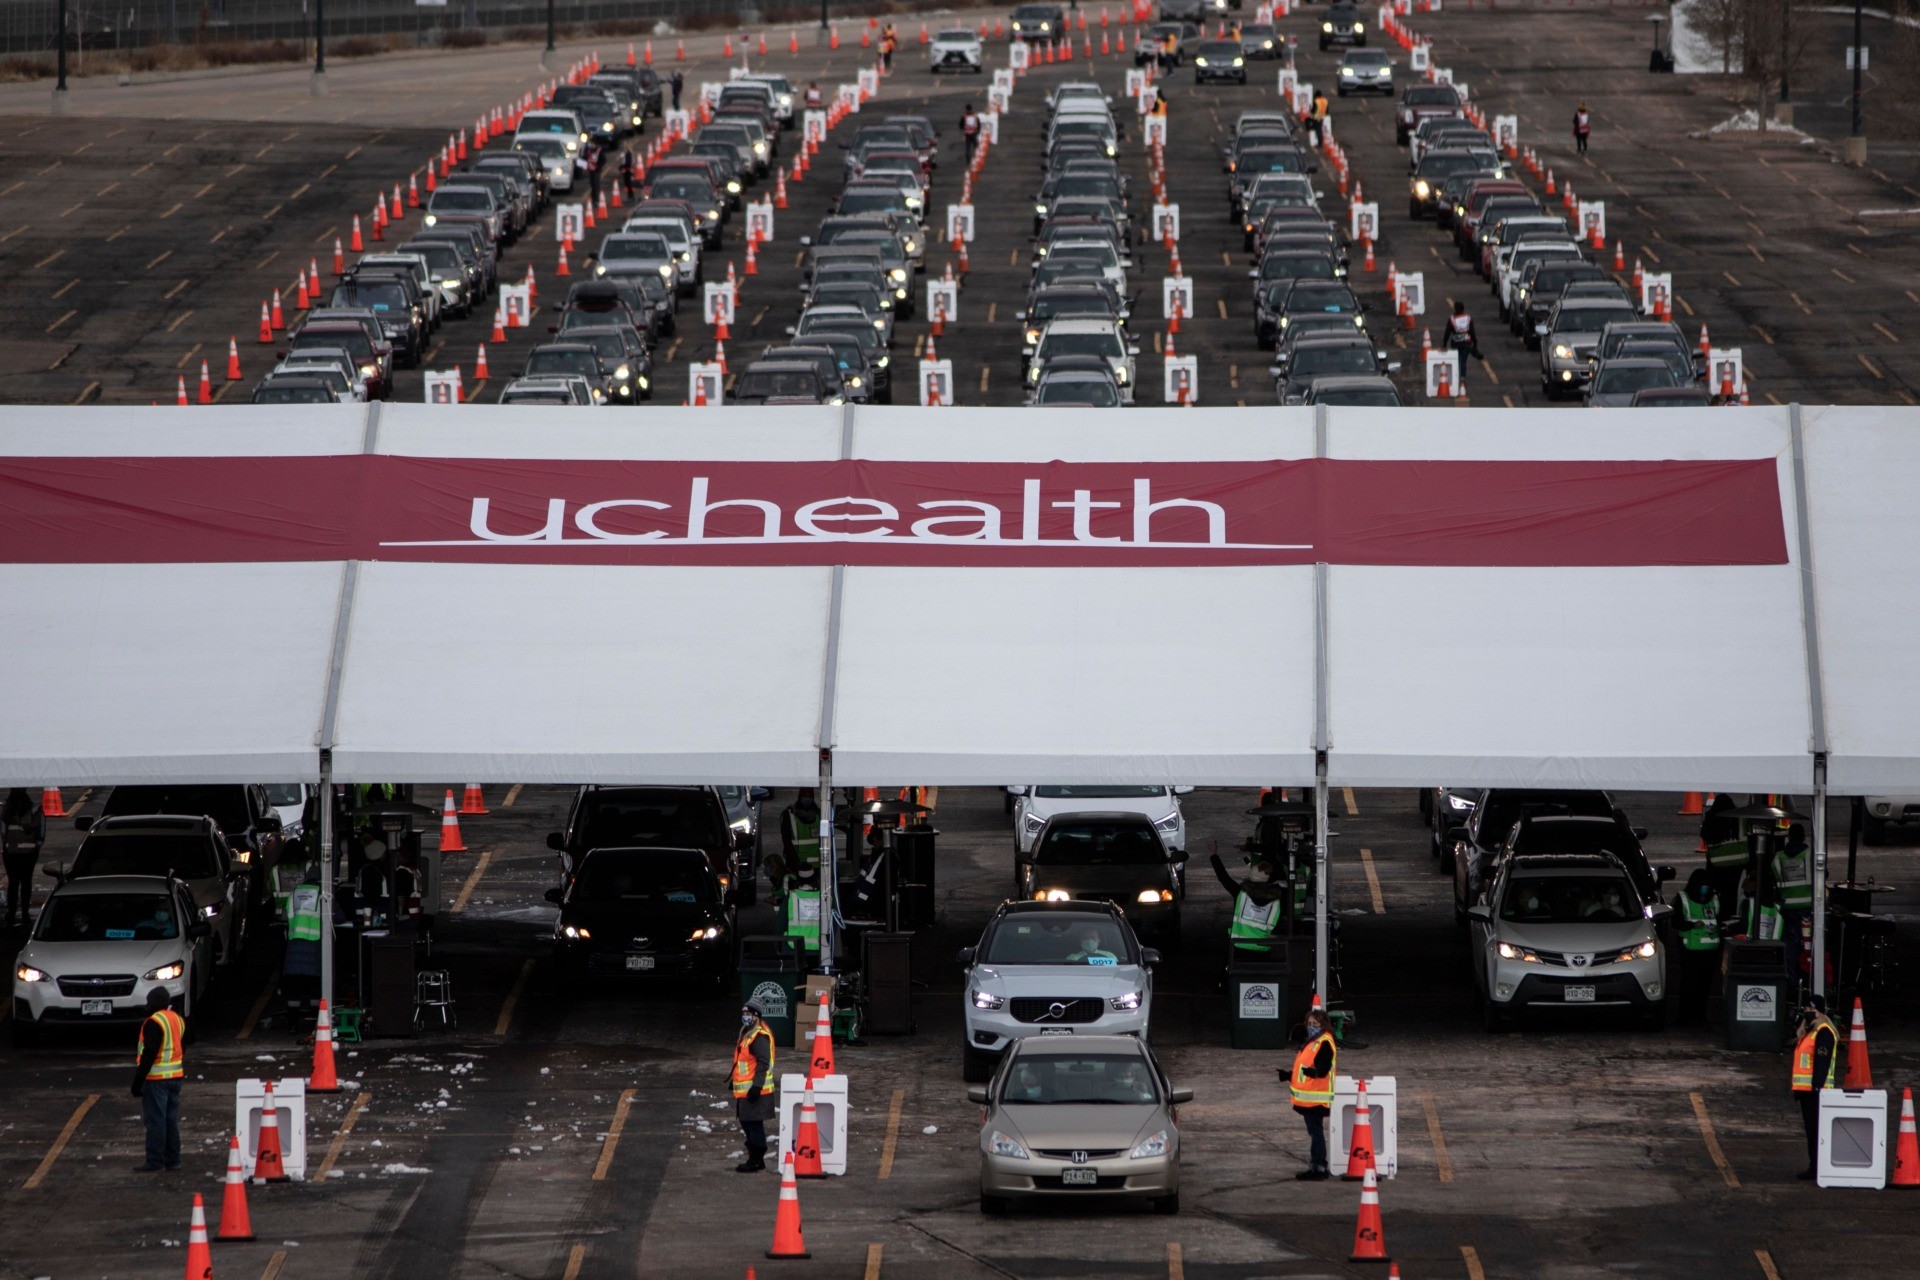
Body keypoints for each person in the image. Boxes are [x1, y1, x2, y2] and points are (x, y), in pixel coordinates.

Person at [131, 987, 186, 1171]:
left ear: (153, 1003)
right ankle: (173, 1159)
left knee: (156, 1121)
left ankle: (155, 1161)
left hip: (157, 1080)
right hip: (175, 1078)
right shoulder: (177, 1019)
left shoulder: (154, 1022)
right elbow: (181, 1047)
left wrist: (137, 1082)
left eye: (148, 1002)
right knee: (170, 1120)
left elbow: (149, 1053)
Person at [1790, 993, 1838, 1179]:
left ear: (1821, 1012)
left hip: (1816, 1092)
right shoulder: (1809, 1031)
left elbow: (1822, 1062)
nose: (1808, 1013)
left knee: (1816, 1131)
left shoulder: (1823, 1032)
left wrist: (1817, 1087)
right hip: (1806, 1092)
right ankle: (1815, 1166)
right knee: (1812, 1130)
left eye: (1812, 1010)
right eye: (1806, 1010)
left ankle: (1817, 1167)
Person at [1289, 1004, 1337, 1179]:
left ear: (1323, 1024)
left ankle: (1318, 1167)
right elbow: (1305, 1066)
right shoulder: (1313, 1041)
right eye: (1309, 1023)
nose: (1311, 1026)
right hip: (1310, 1097)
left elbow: (1323, 1067)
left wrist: (1315, 1072)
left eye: (1315, 1023)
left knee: (1316, 1132)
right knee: (1315, 1132)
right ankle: (1317, 1165)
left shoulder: (1323, 1042)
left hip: (1316, 1097)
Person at [731, 1000, 778, 1172]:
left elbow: (764, 1063)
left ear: (756, 1016)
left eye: (748, 1014)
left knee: (753, 1125)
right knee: (747, 1123)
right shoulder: (749, 1033)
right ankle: (755, 1157)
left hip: (755, 1091)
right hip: (746, 1091)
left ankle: (756, 1159)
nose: (745, 1017)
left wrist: (757, 1086)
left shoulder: (758, 1037)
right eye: (744, 1014)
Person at [1672, 869, 1720, 1025]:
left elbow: (1720, 918)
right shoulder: (1682, 898)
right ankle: (1685, 1016)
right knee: (1689, 983)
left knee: (1704, 985)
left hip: (1709, 951)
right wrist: (1692, 925)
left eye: (1707, 884)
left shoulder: (1714, 898)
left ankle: (1700, 1015)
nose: (1705, 887)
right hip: (1689, 950)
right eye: (1703, 884)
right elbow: (1675, 922)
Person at [1211, 851, 1285, 952]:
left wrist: (1214, 856)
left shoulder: (1241, 894)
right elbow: (1279, 926)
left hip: (1239, 948)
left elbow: (1224, 878)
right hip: (1263, 950)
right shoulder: (1276, 901)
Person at [2, 787, 44, 927]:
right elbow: (41, 831)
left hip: (11, 852)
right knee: (26, 882)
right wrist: (37, 845)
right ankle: (25, 911)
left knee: (13, 883)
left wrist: (6, 846)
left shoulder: (6, 811)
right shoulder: (33, 809)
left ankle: (12, 912)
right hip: (29, 853)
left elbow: (3, 831)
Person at [1773, 824, 1814, 964]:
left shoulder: (1778, 858)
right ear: (1803, 837)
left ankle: (1791, 977)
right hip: (1807, 908)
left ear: (1788, 837)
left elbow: (1774, 879)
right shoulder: (1810, 854)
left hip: (1788, 908)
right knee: (1808, 943)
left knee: (1790, 942)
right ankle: (1806, 974)